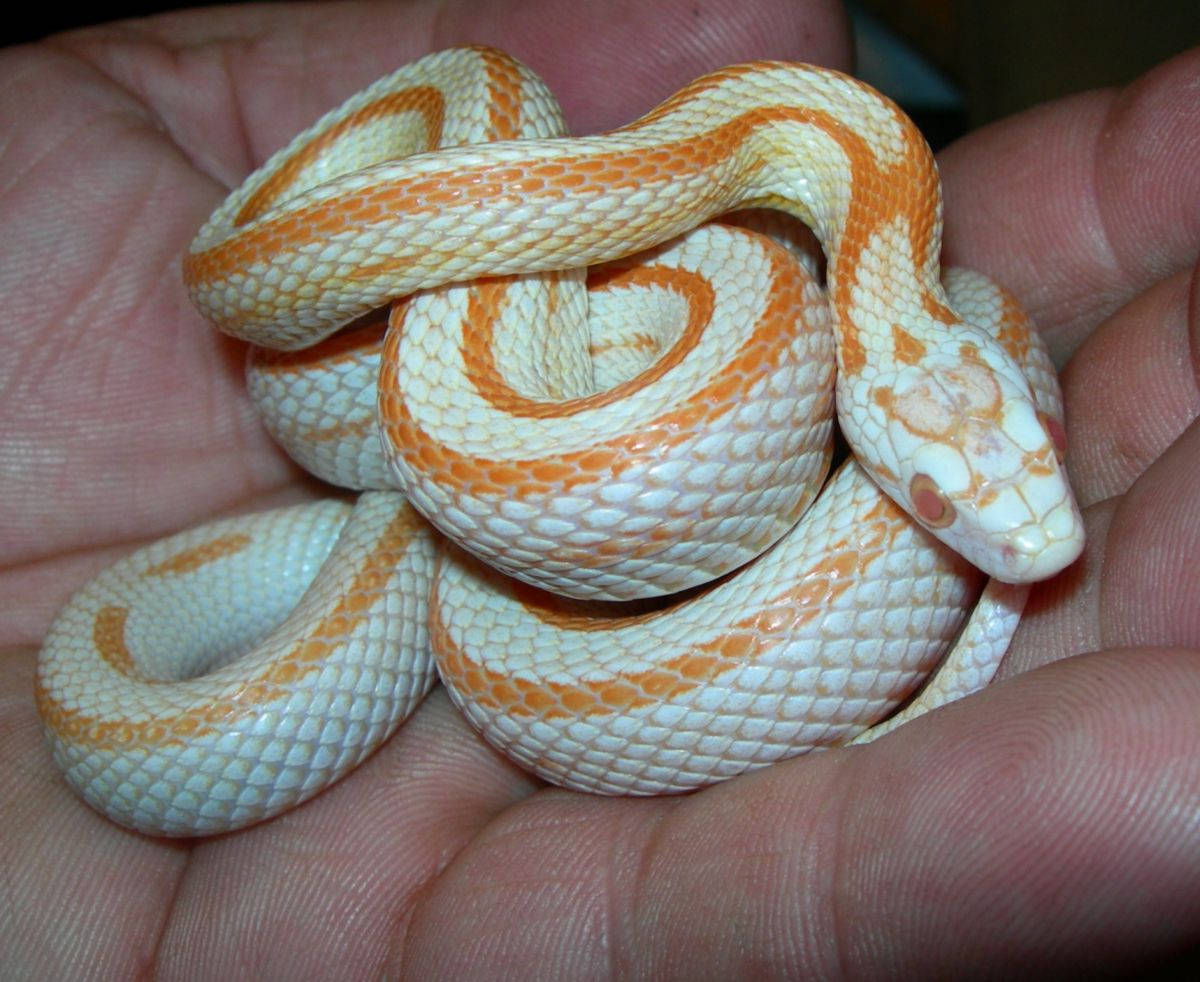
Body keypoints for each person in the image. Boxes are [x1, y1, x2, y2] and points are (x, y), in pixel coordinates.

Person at [2, 1, 1196, 976]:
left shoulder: (842, 224)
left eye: (990, 482)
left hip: (533, 404)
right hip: (473, 390)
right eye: (943, 504)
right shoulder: (818, 240)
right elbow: (244, 286)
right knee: (461, 142)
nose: (1014, 540)